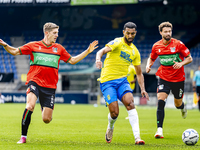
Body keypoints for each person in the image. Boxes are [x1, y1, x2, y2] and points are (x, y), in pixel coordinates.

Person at [0, 22, 98, 144]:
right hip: (34, 82)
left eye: (57, 33)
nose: (57, 35)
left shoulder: (59, 49)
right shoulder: (33, 46)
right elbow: (14, 51)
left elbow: (72, 60)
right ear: (47, 33)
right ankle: (23, 137)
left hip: (50, 87)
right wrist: (5, 45)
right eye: (55, 33)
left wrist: (87, 51)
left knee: (46, 119)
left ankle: (43, 105)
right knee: (29, 106)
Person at [96, 22, 149, 145]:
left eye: (132, 33)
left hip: (122, 82)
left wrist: (143, 89)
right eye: (128, 33)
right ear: (123, 32)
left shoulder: (135, 52)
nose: (130, 35)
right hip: (107, 82)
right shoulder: (117, 42)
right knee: (114, 113)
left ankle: (137, 138)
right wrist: (98, 60)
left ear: (135, 33)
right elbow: (101, 51)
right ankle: (110, 126)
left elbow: (139, 73)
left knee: (130, 103)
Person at [146, 21, 193, 139]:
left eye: (169, 31)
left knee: (177, 104)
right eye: (166, 31)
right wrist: (148, 65)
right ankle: (159, 130)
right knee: (161, 101)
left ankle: (182, 107)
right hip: (163, 77)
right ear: (161, 32)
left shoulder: (178, 44)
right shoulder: (156, 46)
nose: (168, 33)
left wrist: (181, 63)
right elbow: (151, 58)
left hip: (178, 79)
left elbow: (189, 58)